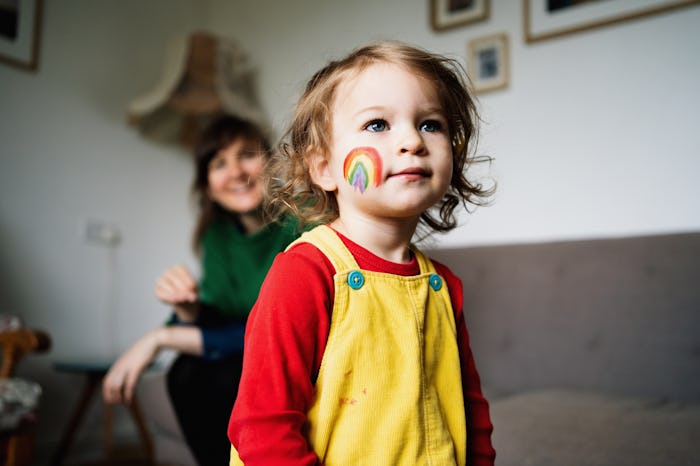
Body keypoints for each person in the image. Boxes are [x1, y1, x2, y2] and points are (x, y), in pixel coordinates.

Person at [228, 41, 496, 465]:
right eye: (377, 125)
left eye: (430, 124)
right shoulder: (304, 273)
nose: (412, 140)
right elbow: (261, 427)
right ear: (324, 168)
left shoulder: (443, 287)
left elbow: (471, 414)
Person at [102, 115, 300, 465]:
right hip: (248, 348)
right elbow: (220, 315)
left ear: (272, 162)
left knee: (216, 375)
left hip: (292, 351)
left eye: (247, 155)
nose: (236, 172)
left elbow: (274, 329)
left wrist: (158, 338)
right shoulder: (218, 236)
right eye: (219, 163)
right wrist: (184, 309)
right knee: (187, 370)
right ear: (208, 186)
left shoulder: (303, 223)